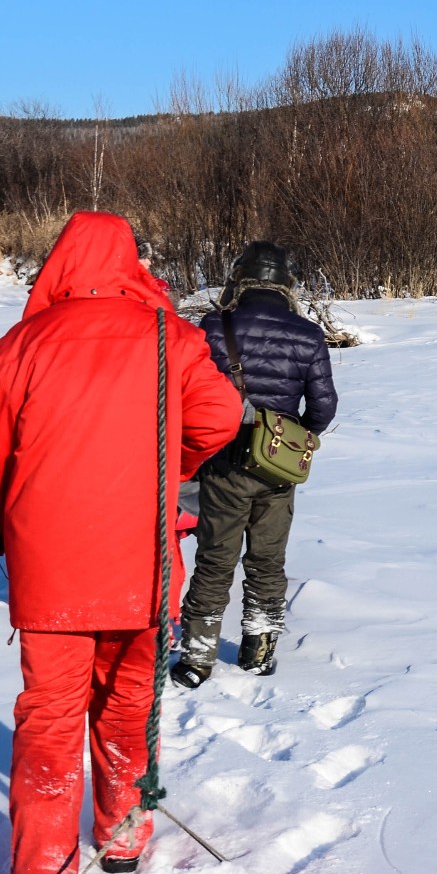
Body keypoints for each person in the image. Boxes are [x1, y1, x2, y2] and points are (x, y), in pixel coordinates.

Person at [0, 212, 242, 874]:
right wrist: (164, 469)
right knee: (130, 698)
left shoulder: (20, 345)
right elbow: (223, 417)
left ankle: (43, 869)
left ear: (59, 266)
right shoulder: (173, 337)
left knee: (49, 711)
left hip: (51, 571)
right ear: (132, 263)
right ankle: (125, 834)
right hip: (141, 558)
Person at [173, 241, 338, 687]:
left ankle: (196, 658)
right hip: (278, 466)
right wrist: (290, 437)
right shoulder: (307, 334)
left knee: (214, 559)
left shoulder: (212, 326)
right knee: (268, 559)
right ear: (287, 284)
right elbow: (324, 407)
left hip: (223, 460)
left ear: (238, 279)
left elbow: (187, 395)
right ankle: (259, 652)